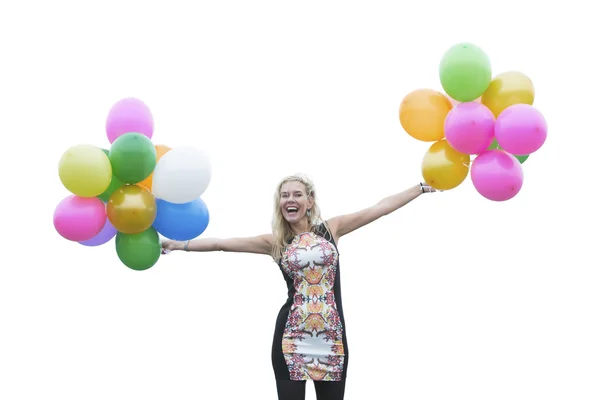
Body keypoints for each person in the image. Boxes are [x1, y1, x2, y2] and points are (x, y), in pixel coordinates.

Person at [161, 174, 439, 400]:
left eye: (296, 194)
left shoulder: (331, 230)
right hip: (291, 338)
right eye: (284, 195)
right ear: (279, 203)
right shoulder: (275, 243)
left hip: (331, 337)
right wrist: (179, 245)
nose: (289, 200)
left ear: (310, 201)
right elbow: (221, 244)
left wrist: (421, 187)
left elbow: (379, 208)